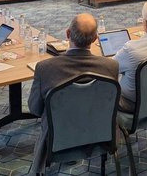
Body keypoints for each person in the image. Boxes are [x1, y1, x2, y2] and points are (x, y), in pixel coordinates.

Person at [28, 13, 118, 175]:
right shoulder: (111, 66)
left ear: (68, 34)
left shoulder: (45, 68)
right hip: (99, 134)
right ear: (95, 38)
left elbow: (35, 109)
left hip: (59, 138)